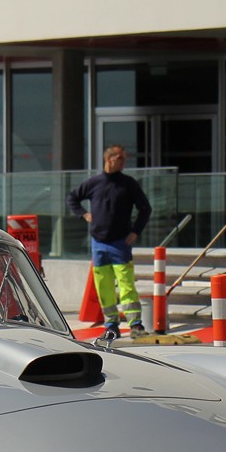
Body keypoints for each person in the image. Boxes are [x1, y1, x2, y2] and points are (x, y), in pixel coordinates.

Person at [67, 144, 152, 339]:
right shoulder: (94, 183)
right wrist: (84, 214)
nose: (124, 162)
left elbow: (145, 208)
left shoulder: (128, 184)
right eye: (120, 158)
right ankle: (111, 324)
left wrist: (135, 231)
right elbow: (72, 198)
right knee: (103, 285)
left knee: (126, 283)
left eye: (124, 158)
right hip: (98, 242)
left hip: (121, 242)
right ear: (109, 159)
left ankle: (135, 324)